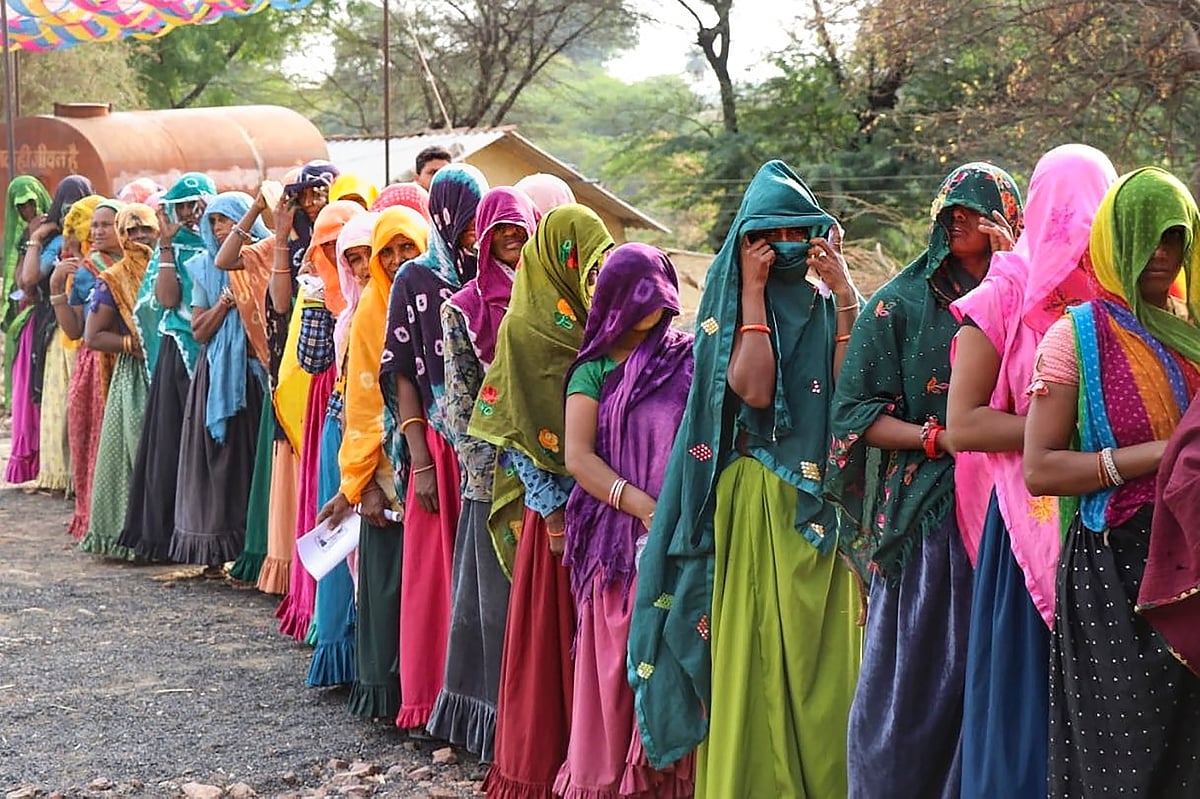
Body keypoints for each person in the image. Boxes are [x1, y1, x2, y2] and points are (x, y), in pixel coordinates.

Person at [627, 161, 862, 797]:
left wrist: (842, 287)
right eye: (768, 236)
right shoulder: (726, 310)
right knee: (755, 658)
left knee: (825, 663)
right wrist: (754, 292)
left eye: (796, 233)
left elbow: (846, 391)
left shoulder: (824, 306)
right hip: (755, 505)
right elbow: (755, 390)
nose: (784, 247)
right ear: (746, 241)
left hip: (818, 509)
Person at [826, 162, 1023, 799]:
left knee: (990, 678)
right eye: (949, 209)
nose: (958, 219)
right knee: (914, 680)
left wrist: (1017, 270)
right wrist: (936, 438)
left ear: (1009, 218)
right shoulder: (902, 303)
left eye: (975, 208)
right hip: (929, 516)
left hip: (1019, 510)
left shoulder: (1034, 294)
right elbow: (853, 413)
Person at [945, 144, 1116, 798]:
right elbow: (964, 423)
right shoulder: (1004, 293)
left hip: (1107, 519)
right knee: (1027, 703)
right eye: (1068, 217)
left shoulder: (1120, 294)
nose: (1079, 236)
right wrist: (1061, 434)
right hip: (1028, 523)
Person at [1023, 166, 1200, 797]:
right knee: (1124, 757)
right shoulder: (1075, 337)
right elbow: (1040, 467)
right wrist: (1163, 454)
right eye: (1144, 235)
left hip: (1194, 557)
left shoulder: (1195, 331)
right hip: (1116, 572)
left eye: (1174, 237)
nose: (1161, 253)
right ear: (1112, 240)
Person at [466, 203, 614, 798]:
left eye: (601, 262)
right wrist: (554, 516)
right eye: (585, 262)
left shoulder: (603, 323)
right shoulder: (526, 328)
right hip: (558, 513)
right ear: (556, 259)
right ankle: (542, 766)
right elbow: (517, 426)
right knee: (554, 641)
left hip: (607, 505)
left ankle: (596, 765)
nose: (594, 274)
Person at [558, 243, 696, 797]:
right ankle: (611, 778)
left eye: (661, 294)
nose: (655, 305)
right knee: (619, 663)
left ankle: (666, 777)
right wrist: (639, 505)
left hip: (679, 535)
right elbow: (578, 457)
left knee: (674, 653)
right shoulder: (592, 370)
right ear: (615, 297)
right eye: (642, 294)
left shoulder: (686, 357)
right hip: (617, 544)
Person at [431, 186, 537, 760]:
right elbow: (460, 401)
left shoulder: (556, 298)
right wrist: (489, 473)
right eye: (501, 230)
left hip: (552, 470)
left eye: (520, 228)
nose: (511, 238)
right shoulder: (463, 308)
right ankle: (493, 726)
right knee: (492, 606)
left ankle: (541, 725)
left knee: (540, 605)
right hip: (494, 475)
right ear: (483, 237)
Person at [381, 163, 487, 731]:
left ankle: (473, 701)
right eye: (466, 218)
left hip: (486, 448)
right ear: (444, 215)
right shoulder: (416, 278)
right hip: (439, 447)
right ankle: (427, 702)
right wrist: (420, 460)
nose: (474, 228)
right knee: (432, 577)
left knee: (477, 580)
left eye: (480, 216)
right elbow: (401, 371)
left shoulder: (493, 272)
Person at [317, 206, 430, 720]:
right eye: (388, 252)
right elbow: (362, 406)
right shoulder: (370, 313)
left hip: (436, 462)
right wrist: (361, 483)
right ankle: (390, 696)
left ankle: (427, 691)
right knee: (388, 586)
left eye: (407, 247)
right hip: (387, 473)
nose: (396, 260)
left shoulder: (436, 296)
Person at [117, 173, 218, 561]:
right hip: (180, 352)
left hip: (218, 353)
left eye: (198, 205)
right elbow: (166, 299)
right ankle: (167, 537)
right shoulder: (172, 247)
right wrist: (166, 245)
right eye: (184, 207)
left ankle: (209, 536)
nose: (191, 214)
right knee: (174, 443)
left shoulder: (222, 246)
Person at [276, 199, 363, 641]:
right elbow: (312, 358)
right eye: (330, 246)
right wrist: (317, 298)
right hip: (333, 398)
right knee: (337, 517)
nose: (345, 259)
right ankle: (333, 632)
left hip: (368, 409)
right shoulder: (319, 288)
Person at [169, 193, 272, 568]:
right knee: (222, 465)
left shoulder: (266, 259)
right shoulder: (203, 267)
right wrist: (225, 304)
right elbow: (199, 330)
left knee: (256, 464)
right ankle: (217, 552)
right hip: (219, 377)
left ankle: (257, 551)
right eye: (213, 221)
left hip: (258, 375)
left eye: (226, 219)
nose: (218, 228)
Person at [307, 210, 378, 689]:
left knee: (369, 554)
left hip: (374, 437)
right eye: (351, 258)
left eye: (369, 254)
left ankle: (368, 660)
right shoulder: (350, 308)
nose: (364, 266)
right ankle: (343, 656)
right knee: (344, 546)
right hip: (344, 426)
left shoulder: (387, 304)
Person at [77, 203, 160, 560]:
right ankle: (132, 539)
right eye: (131, 231)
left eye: (146, 230)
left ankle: (165, 539)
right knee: (135, 452)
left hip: (171, 371)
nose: (140, 237)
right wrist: (132, 345)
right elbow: (92, 336)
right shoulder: (112, 278)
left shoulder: (168, 267)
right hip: (136, 378)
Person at [8, 176, 89, 485]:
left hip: (92, 329)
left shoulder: (98, 236)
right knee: (59, 401)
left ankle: (83, 475)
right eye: (66, 207)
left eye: (78, 206)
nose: (72, 214)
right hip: (57, 330)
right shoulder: (54, 241)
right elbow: (28, 281)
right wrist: (37, 238)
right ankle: (60, 475)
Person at [56, 198, 122, 541]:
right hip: (95, 364)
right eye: (94, 225)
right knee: (94, 438)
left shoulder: (143, 262)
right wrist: (56, 289)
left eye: (105, 225)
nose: (96, 231)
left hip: (131, 364)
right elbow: (74, 330)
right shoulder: (87, 270)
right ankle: (97, 519)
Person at [2, 175, 51, 412]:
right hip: (31, 314)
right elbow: (21, 285)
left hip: (50, 316)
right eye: (21, 207)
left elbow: (28, 282)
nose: (28, 211)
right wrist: (30, 240)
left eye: (31, 203)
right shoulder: (22, 236)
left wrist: (35, 239)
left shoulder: (54, 232)